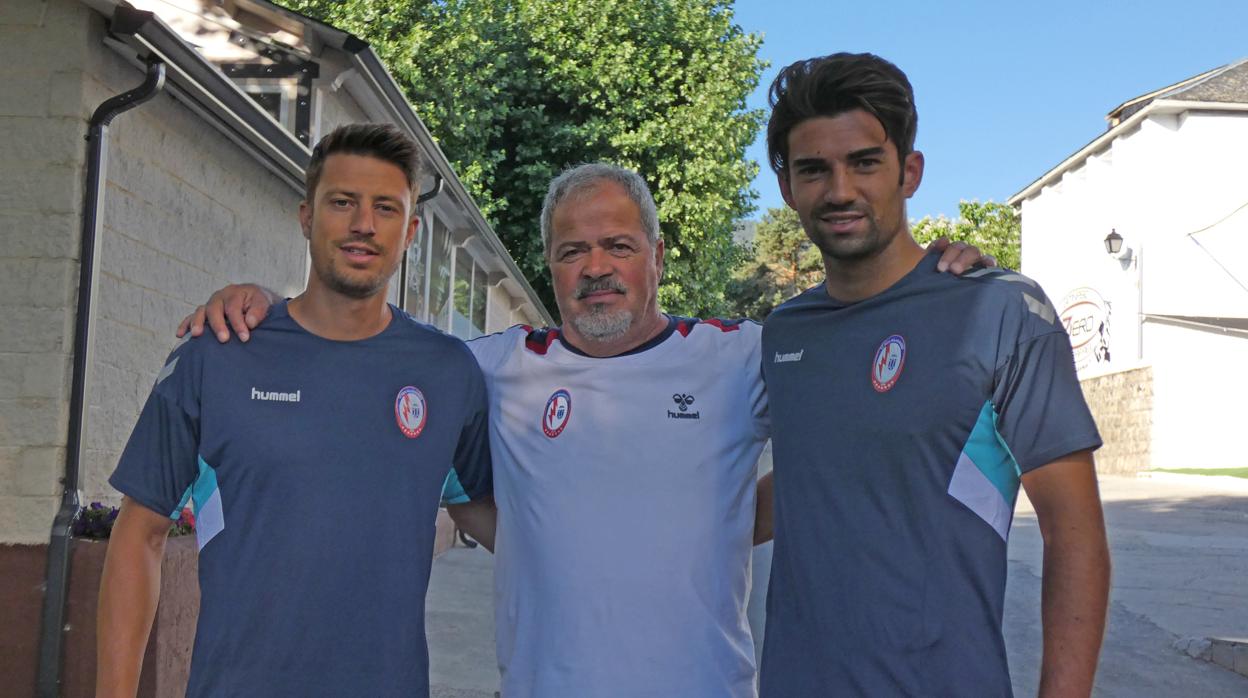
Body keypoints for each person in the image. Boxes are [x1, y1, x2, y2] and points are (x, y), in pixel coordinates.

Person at [179, 164, 990, 696]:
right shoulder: (488, 368)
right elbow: (358, 355)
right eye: (572, 251)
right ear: (548, 266)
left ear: (657, 257)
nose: (596, 267)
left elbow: (867, 418)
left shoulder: (743, 356)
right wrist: (263, 304)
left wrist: (928, 276)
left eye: (618, 246)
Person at [757, 53, 1111, 697]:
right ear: (787, 188)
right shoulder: (782, 332)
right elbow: (817, 477)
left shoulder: (999, 310)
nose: (839, 190)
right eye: (813, 170)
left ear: (909, 172)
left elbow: (1075, 533)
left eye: (864, 162)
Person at [96, 124, 492, 698]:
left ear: (409, 231)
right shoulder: (219, 353)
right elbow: (140, 533)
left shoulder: (449, 370)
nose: (363, 224)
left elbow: (481, 507)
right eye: (343, 202)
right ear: (307, 217)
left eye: (385, 208)